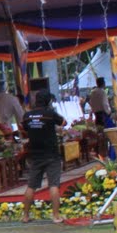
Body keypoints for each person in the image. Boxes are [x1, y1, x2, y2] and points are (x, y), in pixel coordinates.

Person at [21, 90, 68, 224]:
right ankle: (56, 216)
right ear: (48, 101)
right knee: (53, 184)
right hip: (51, 154)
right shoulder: (50, 114)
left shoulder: (27, 116)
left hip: (35, 154)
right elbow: (63, 123)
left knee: (31, 185)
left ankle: (25, 216)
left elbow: (24, 128)